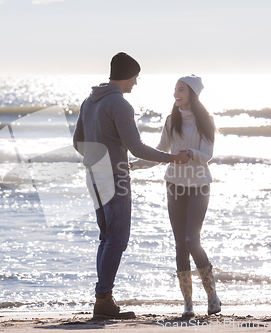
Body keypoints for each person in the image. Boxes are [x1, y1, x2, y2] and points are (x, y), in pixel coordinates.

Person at [72, 52, 190, 319]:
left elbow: (78, 143)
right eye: (136, 77)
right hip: (115, 178)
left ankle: (102, 299)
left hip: (94, 176)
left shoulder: (89, 102)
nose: (136, 83)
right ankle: (103, 301)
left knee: (106, 237)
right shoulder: (120, 105)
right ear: (127, 76)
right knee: (117, 238)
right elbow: (136, 147)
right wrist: (173, 158)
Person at [130, 75, 221, 317]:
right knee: (181, 246)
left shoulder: (206, 121)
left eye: (180, 90)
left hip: (199, 186)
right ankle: (188, 304)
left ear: (192, 93)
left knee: (192, 241)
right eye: (174, 90)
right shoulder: (171, 121)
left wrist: (190, 153)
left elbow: (208, 154)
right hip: (174, 186)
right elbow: (160, 152)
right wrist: (136, 164)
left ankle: (212, 295)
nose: (175, 94)